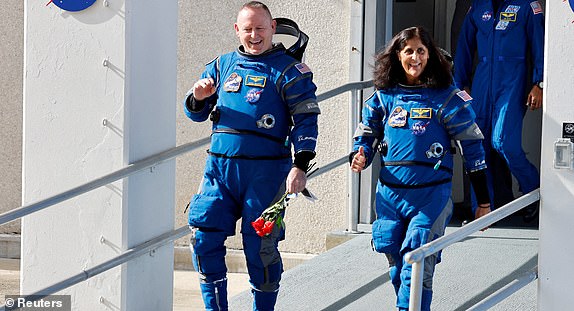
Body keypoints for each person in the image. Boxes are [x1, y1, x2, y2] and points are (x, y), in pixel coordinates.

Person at [182, 2, 320, 310]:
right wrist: (198, 97)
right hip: (219, 171)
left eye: (260, 28)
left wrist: (300, 166)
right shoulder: (221, 65)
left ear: (273, 28)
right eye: (247, 29)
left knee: (260, 247)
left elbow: (307, 121)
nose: (254, 35)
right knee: (204, 240)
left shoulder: (289, 70)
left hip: (267, 173)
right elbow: (196, 113)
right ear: (237, 30)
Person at [349, 26, 491, 311]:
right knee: (395, 263)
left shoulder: (447, 98)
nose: (415, 57)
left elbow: (473, 150)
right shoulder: (383, 97)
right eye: (409, 51)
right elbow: (367, 134)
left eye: (421, 51)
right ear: (397, 56)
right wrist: (361, 153)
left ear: (431, 55)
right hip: (389, 196)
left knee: (417, 265)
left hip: (430, 196)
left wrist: (483, 202)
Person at [454, 0, 544, 222]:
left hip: (513, 80)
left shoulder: (527, 6)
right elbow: (464, 47)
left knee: (503, 142)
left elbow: (540, 45)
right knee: (477, 146)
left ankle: (535, 191)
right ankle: (482, 211)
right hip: (482, 82)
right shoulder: (478, 7)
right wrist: (460, 86)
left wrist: (539, 83)